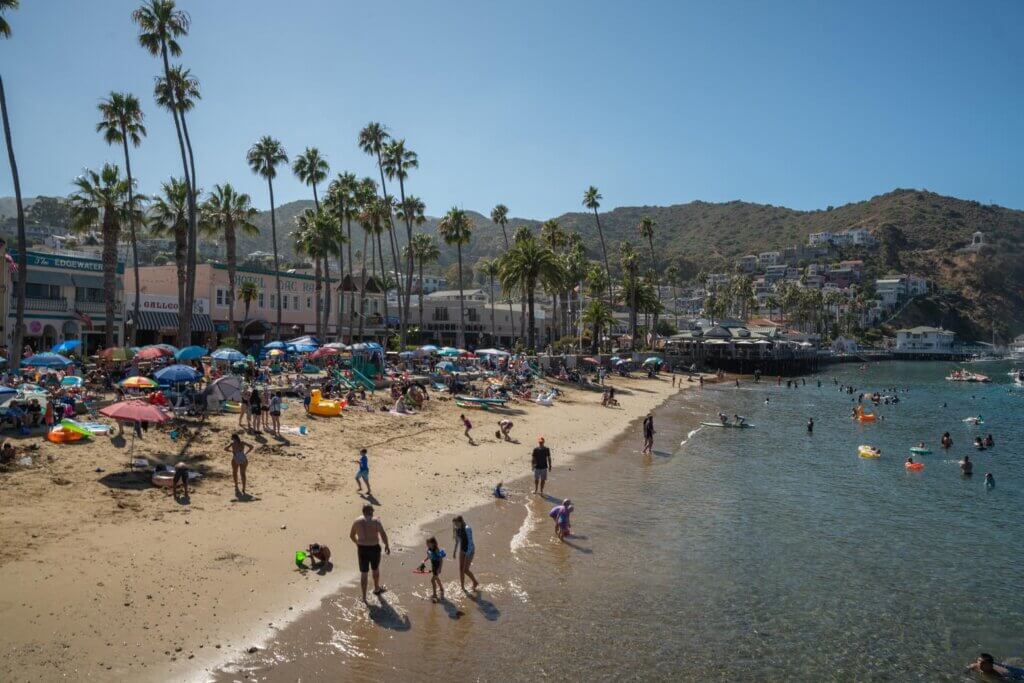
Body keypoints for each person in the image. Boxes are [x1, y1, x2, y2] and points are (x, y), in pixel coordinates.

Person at [349, 504, 390, 601]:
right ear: (371, 511)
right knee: (375, 569)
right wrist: (387, 545)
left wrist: (357, 543)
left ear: (363, 511)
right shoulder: (376, 521)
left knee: (364, 573)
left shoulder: (357, 521)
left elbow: (351, 535)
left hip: (362, 549)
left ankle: (364, 597)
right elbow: (383, 534)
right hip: (374, 548)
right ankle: (376, 589)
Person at [452, 515, 478, 591]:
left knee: (465, 570)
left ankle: (475, 582)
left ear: (461, 522)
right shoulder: (457, 529)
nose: (455, 526)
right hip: (462, 549)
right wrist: (454, 551)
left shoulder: (467, 529)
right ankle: (462, 587)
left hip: (470, 550)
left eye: (456, 524)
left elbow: (470, 542)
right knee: (460, 569)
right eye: (455, 524)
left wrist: (467, 555)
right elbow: (457, 541)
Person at [421, 536, 446, 602]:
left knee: (432, 580)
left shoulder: (436, 550)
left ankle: (435, 594)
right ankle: (441, 588)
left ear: (433, 543)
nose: (427, 545)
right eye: (427, 544)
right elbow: (429, 556)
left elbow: (441, 560)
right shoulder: (429, 550)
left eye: (428, 544)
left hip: (437, 566)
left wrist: (440, 568)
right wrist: (424, 560)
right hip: (433, 566)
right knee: (436, 578)